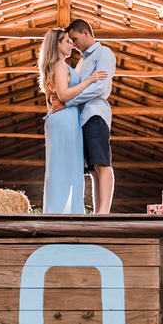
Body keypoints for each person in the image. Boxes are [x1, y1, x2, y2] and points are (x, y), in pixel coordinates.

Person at [38, 28, 107, 214]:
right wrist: (90, 80)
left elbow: (54, 99)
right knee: (66, 165)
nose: (71, 44)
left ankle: (64, 211)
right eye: (67, 41)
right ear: (57, 44)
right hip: (65, 120)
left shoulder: (59, 66)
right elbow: (63, 95)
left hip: (64, 118)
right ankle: (65, 213)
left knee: (65, 165)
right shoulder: (59, 66)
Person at [54, 19, 116, 214]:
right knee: (92, 170)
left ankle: (104, 213)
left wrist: (69, 102)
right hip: (81, 120)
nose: (73, 44)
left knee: (102, 164)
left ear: (86, 33)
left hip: (95, 114)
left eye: (74, 38)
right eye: (69, 41)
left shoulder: (103, 53)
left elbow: (100, 87)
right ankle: (98, 212)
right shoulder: (81, 62)